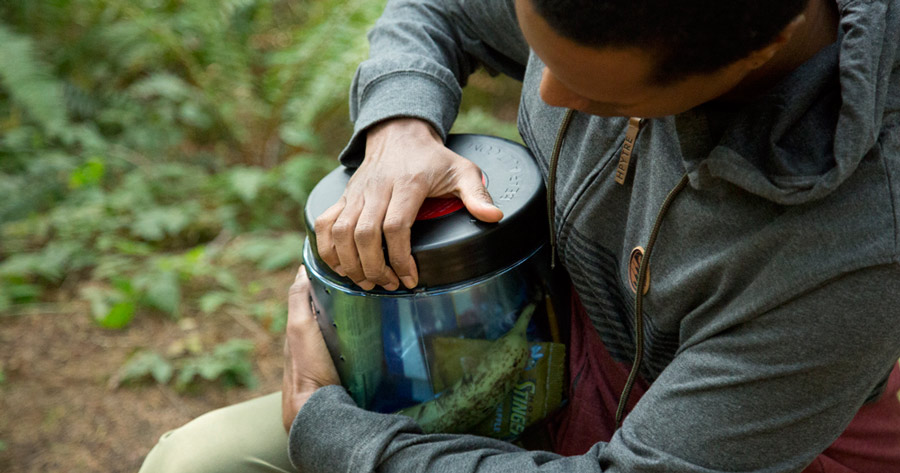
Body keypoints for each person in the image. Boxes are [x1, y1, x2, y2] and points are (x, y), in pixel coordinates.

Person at [139, 0, 900, 472]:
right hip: (539, 356)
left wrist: (333, 433)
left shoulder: (854, 251)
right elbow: (440, 10)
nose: (544, 93)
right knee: (195, 464)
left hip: (738, 446)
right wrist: (400, 120)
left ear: (754, 56)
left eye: (596, 92)